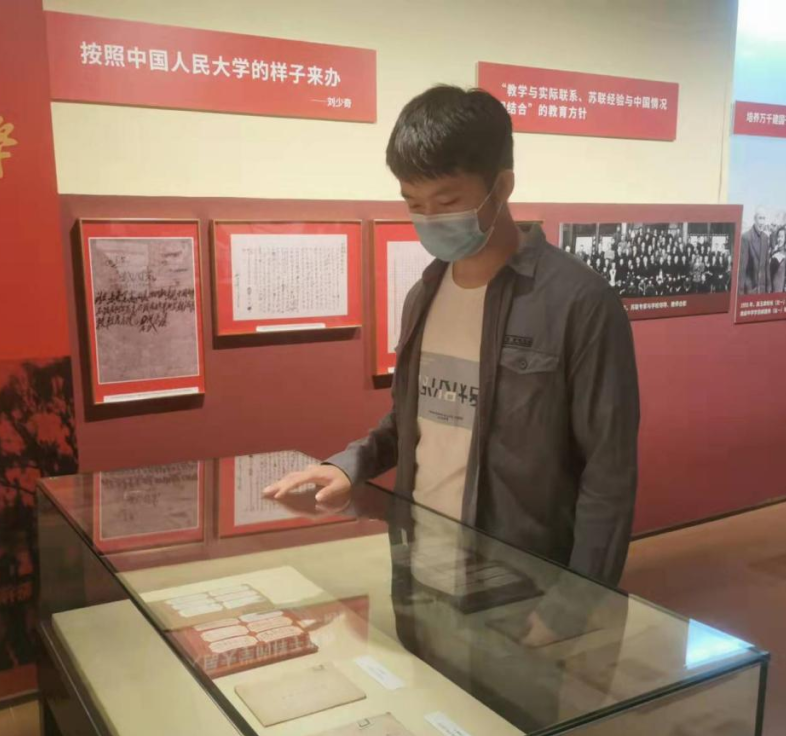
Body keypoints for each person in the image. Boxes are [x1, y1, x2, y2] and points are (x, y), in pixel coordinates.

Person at [264, 85, 640, 585]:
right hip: (420, 566)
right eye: (413, 202)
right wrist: (349, 466)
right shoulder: (423, 294)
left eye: (446, 201)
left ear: (501, 186)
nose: (429, 219)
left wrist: (579, 604)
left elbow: (608, 474)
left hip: (523, 584)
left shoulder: (579, 302)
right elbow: (413, 422)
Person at [740, 208, 771, 294]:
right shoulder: (746, 237)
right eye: (760, 218)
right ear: (754, 219)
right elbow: (742, 269)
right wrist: (741, 292)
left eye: (764, 218)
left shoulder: (765, 238)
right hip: (750, 291)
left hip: (763, 290)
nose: (762, 222)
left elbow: (767, 265)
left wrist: (768, 287)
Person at [768, 226, 786, 293]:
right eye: (778, 236)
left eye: (782, 237)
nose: (780, 239)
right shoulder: (773, 253)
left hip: (780, 290)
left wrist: (785, 291)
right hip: (771, 290)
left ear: (785, 238)